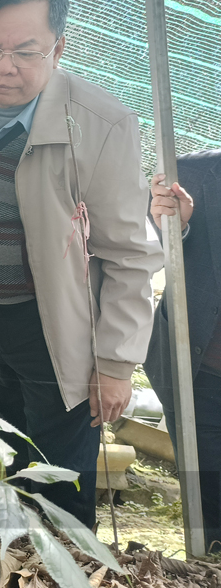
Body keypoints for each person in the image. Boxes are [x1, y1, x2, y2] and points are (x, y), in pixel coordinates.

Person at [0, 0, 162, 527]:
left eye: (25, 52)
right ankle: (22, 552)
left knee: (60, 466)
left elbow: (130, 253)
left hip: (57, 324)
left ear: (59, 46)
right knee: (9, 437)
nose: (2, 67)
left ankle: (66, 557)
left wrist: (117, 363)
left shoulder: (101, 124)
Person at [146, 155, 221, 552]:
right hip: (199, 375)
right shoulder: (184, 174)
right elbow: (146, 244)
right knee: (209, 504)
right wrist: (179, 227)